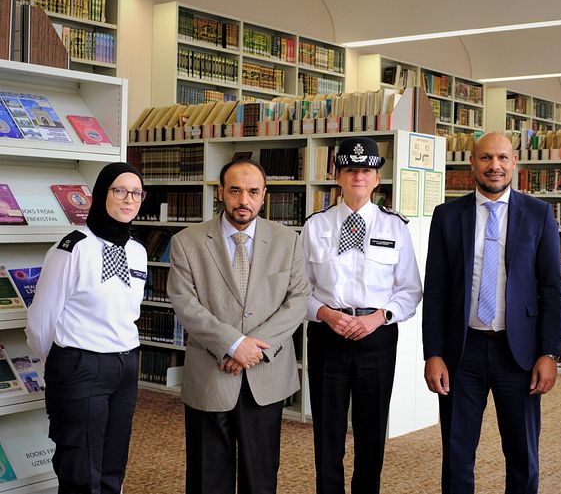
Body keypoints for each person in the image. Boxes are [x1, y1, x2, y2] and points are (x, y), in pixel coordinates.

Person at [422, 132, 561, 494]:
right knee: (457, 452)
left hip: (518, 354)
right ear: (472, 163)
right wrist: (433, 354)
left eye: (502, 157)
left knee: (522, 452)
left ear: (514, 163)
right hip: (461, 353)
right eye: (485, 158)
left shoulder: (538, 214)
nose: (494, 166)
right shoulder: (447, 216)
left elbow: (551, 289)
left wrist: (549, 353)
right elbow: (436, 290)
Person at [166, 158, 310, 494]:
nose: (243, 200)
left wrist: (252, 346)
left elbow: (299, 299)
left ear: (264, 196)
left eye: (252, 192)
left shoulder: (287, 240)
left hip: (265, 375)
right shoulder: (188, 242)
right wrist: (232, 344)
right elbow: (185, 304)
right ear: (221, 193)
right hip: (211, 373)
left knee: (260, 477)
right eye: (235, 191)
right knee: (207, 477)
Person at [301, 137, 422, 494]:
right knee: (328, 430)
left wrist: (378, 317)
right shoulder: (315, 226)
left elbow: (410, 290)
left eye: (366, 170)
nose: (358, 177)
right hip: (327, 335)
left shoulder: (394, 227)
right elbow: (298, 289)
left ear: (376, 179)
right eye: (351, 170)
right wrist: (324, 312)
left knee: (371, 432)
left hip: (377, 337)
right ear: (337, 175)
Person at [26, 162, 147, 494]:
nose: (129, 199)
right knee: (80, 469)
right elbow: (40, 322)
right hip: (81, 365)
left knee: (112, 464)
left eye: (136, 193)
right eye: (119, 190)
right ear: (100, 194)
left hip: (124, 366)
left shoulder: (138, 252)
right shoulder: (73, 247)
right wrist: (66, 363)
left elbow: (128, 313)